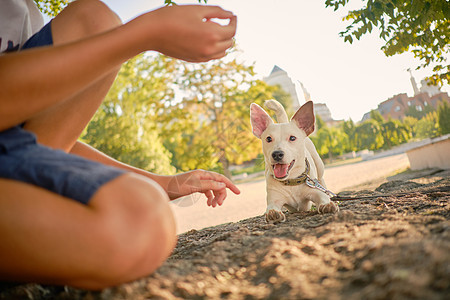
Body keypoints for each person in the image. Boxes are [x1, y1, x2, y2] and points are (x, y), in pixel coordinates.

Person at [0, 0, 239, 290]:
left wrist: (167, 184)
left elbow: (29, 140)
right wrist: (144, 33)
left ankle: (30, 225)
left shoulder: (23, 10)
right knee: (139, 224)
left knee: (94, 19)